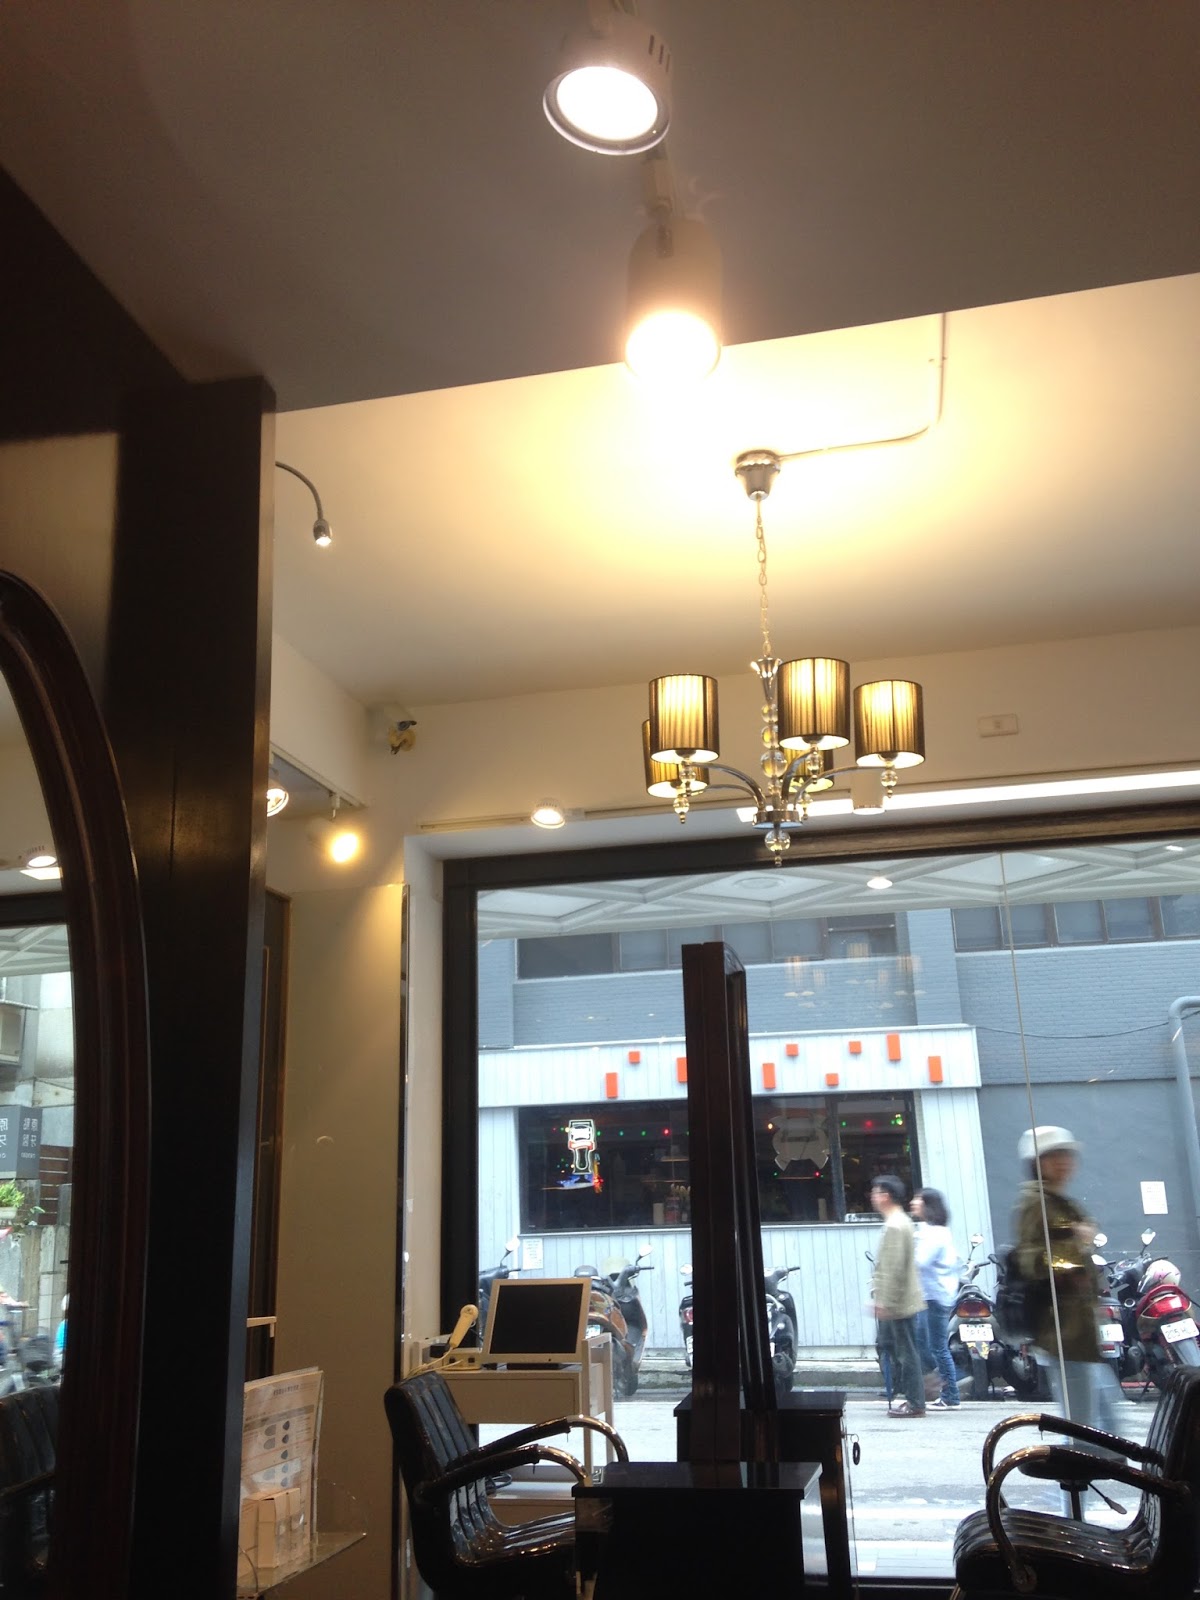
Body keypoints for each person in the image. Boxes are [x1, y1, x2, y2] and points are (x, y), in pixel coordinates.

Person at [1013, 1124, 1122, 1511]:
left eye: (1067, 1155)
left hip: (1079, 1332)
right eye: (1054, 1156)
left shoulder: (1058, 1201)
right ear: (1038, 1162)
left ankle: (1073, 1512)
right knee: (1081, 1436)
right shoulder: (1036, 1203)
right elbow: (1032, 1261)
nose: (1064, 1163)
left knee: (1105, 1431)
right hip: (1062, 1331)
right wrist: (1077, 1244)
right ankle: (1072, 1518)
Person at [869, 1175, 927, 1417]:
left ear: (886, 1196)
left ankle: (915, 1402)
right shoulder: (902, 1221)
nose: (872, 1197)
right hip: (902, 1299)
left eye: (875, 1192)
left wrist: (884, 1301)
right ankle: (913, 1398)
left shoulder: (895, 1225)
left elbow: (892, 1268)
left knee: (905, 1353)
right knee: (901, 1350)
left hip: (898, 1302)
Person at [910, 1187, 962, 1408]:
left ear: (928, 1205)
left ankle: (951, 1393)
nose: (913, 1203)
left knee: (937, 1347)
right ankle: (947, 1386)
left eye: (918, 1199)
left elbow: (920, 1262)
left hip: (935, 1297)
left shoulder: (936, 1233)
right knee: (925, 1344)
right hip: (930, 1296)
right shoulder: (929, 1231)